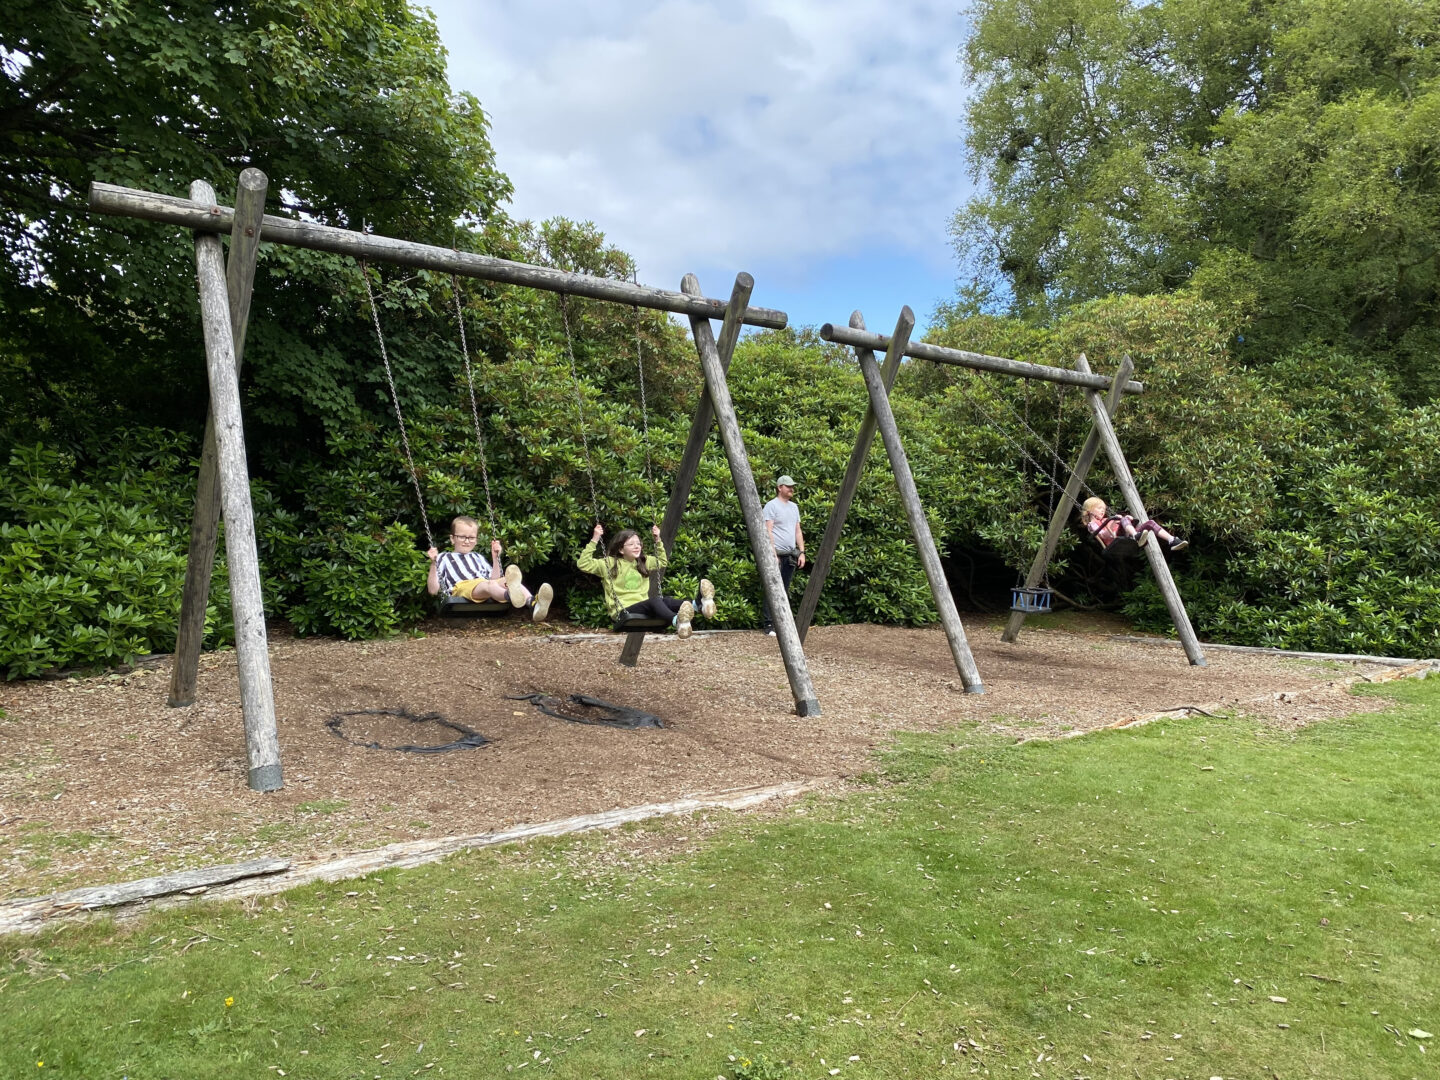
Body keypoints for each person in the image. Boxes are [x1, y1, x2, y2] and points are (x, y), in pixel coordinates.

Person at [577, 523, 716, 639]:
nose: (637, 546)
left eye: (638, 543)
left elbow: (662, 561)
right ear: (620, 549)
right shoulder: (609, 564)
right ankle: (677, 621)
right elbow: (583, 564)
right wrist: (595, 539)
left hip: (644, 608)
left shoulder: (643, 561)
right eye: (631, 544)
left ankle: (697, 605)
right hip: (623, 611)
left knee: (664, 600)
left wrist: (658, 540)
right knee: (655, 600)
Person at [426, 515, 554, 621]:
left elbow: (494, 578)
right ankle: (511, 595)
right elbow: (433, 590)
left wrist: (495, 558)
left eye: (471, 537)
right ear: (452, 539)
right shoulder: (443, 557)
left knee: (506, 581)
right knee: (488, 585)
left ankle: (533, 604)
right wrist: (433, 563)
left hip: (485, 584)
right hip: (462, 587)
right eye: (462, 537)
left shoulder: (478, 557)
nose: (467, 541)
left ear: (476, 540)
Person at [760, 474, 806, 635]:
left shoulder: (794, 507)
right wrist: (772, 552)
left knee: (784, 589)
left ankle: (782, 623)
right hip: (776, 554)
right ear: (780, 487)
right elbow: (768, 530)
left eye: (792, 486)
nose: (791, 489)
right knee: (773, 588)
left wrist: (801, 552)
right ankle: (769, 624)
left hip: (790, 554)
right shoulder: (771, 506)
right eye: (788, 486)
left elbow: (797, 531)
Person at [1080, 497, 1188, 552]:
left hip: (1125, 535)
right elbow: (1104, 535)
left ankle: (1172, 540)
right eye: (1099, 508)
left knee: (1150, 523)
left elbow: (1116, 524)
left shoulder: (1106, 519)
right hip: (1115, 539)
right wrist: (1114, 524)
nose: (1102, 511)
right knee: (1122, 519)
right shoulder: (1092, 524)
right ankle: (1136, 535)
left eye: (1103, 509)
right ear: (1089, 510)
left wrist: (1125, 519)